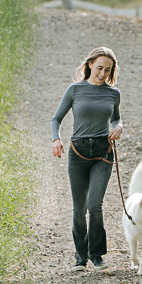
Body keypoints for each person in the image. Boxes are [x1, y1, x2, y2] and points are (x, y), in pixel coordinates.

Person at [51, 46, 123, 271]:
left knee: (95, 205)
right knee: (79, 208)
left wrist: (119, 128)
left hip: (103, 151)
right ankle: (80, 258)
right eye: (99, 68)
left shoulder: (113, 93)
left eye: (108, 70)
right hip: (78, 152)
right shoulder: (75, 90)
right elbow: (56, 119)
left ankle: (97, 255)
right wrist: (56, 139)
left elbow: (117, 119)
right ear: (90, 65)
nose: (103, 74)